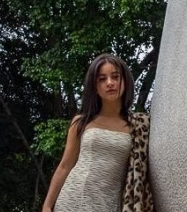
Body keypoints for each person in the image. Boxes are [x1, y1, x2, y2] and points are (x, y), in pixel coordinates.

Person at [42, 53, 153, 212]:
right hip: (73, 199)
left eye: (115, 77)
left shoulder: (138, 125)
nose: (110, 83)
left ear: (125, 81)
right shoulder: (82, 121)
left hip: (109, 203)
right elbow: (65, 165)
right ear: (95, 86)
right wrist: (47, 206)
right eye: (102, 79)